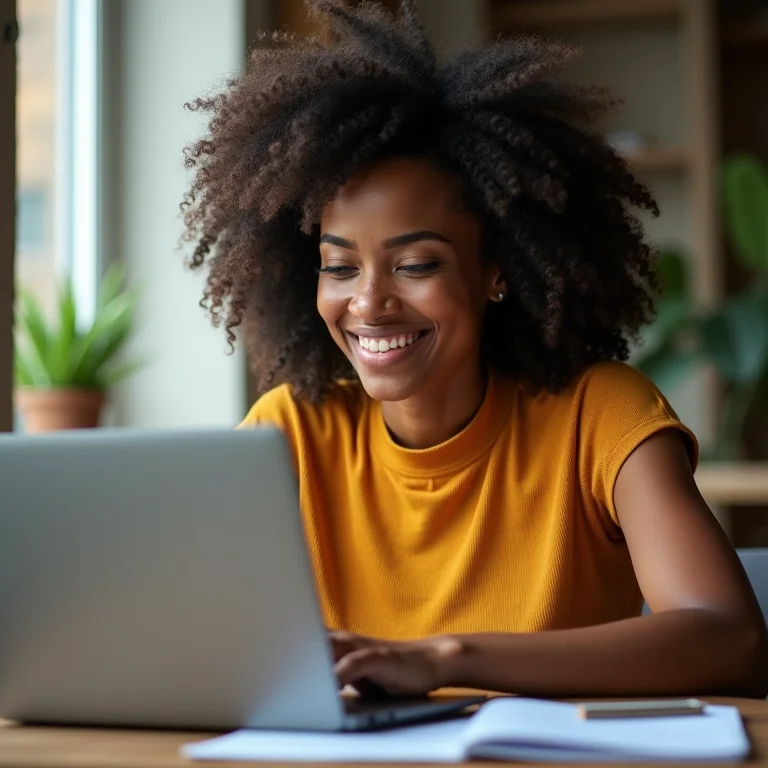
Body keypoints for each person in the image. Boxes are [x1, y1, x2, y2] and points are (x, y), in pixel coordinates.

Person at [180, 0, 768, 698]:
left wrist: (445, 660)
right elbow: (190, 646)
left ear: (497, 271)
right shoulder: (289, 435)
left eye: (416, 264)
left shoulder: (600, 416)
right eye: (339, 267)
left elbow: (729, 637)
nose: (367, 303)